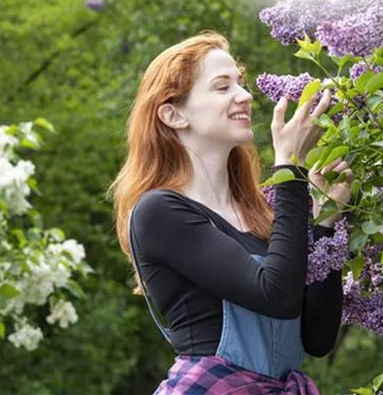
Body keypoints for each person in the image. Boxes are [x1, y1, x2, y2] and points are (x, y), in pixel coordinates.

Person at [111, 31, 351, 394]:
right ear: (173, 114)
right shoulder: (159, 211)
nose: (245, 96)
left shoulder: (262, 213)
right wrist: (288, 168)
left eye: (241, 83)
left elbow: (316, 338)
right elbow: (277, 296)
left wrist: (324, 223)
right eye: (222, 87)